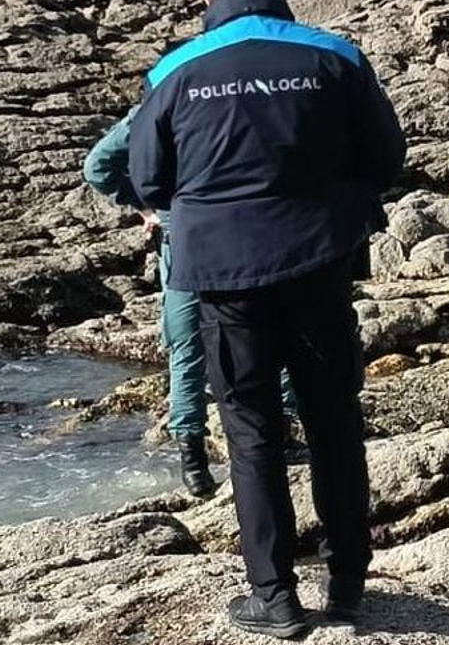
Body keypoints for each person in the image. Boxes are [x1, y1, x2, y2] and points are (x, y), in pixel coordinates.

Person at [128, 0, 405, 638]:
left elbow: (148, 178)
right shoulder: (335, 55)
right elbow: (386, 157)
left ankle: (274, 596)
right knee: (333, 420)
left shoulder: (174, 69)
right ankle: (348, 583)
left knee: (250, 431)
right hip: (319, 261)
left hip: (224, 277)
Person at [82, 108, 296, 499]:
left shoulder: (158, 105)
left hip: (183, 240)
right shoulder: (243, 96)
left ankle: (193, 459)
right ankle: (281, 432)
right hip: (251, 233)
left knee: (187, 348)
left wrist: (147, 206)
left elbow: (98, 166)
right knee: (271, 332)